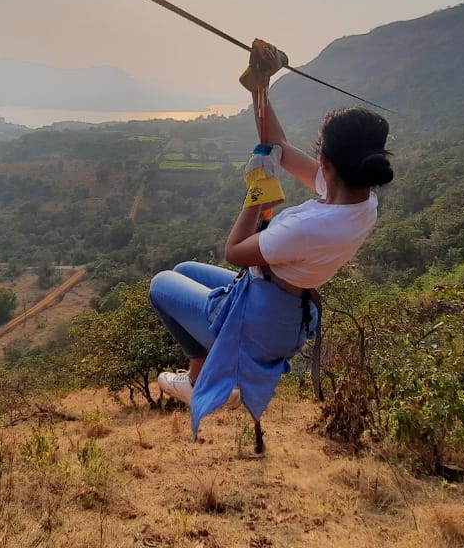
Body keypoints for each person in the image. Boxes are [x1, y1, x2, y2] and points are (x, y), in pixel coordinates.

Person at [149, 39, 394, 444]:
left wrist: (257, 194)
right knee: (184, 270)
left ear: (326, 162)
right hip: (282, 305)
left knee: (161, 284)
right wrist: (260, 87)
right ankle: (203, 370)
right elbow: (278, 147)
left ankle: (200, 378)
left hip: (260, 324)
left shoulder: (307, 228)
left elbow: (235, 252)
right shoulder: (361, 202)